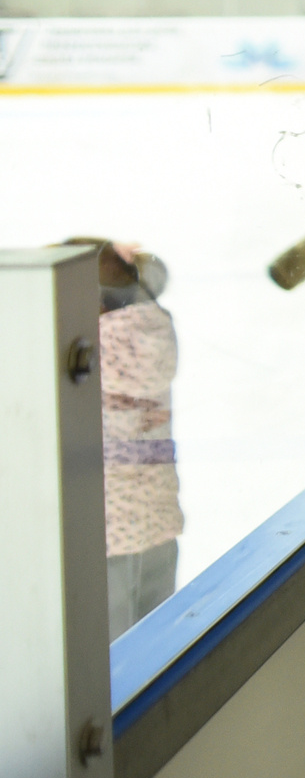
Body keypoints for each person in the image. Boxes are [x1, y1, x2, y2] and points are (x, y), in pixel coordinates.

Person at [67, 238, 182, 636]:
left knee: (108, 653)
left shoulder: (84, 353)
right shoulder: (153, 330)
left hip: (105, 531)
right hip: (157, 524)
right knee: (157, 644)